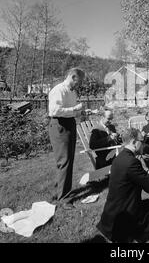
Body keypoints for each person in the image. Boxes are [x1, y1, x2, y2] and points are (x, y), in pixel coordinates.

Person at [96, 128, 149, 243]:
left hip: (112, 215)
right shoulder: (131, 161)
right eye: (142, 141)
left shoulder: (120, 158)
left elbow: (140, 178)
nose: (144, 144)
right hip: (125, 219)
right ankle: (137, 236)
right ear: (133, 142)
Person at [48, 67, 85, 209]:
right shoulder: (59, 90)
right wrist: (74, 109)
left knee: (67, 160)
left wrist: (79, 111)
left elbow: (69, 111)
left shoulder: (72, 92)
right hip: (59, 125)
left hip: (69, 124)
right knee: (64, 161)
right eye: (79, 81)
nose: (79, 84)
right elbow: (54, 111)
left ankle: (58, 192)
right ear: (73, 77)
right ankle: (64, 198)